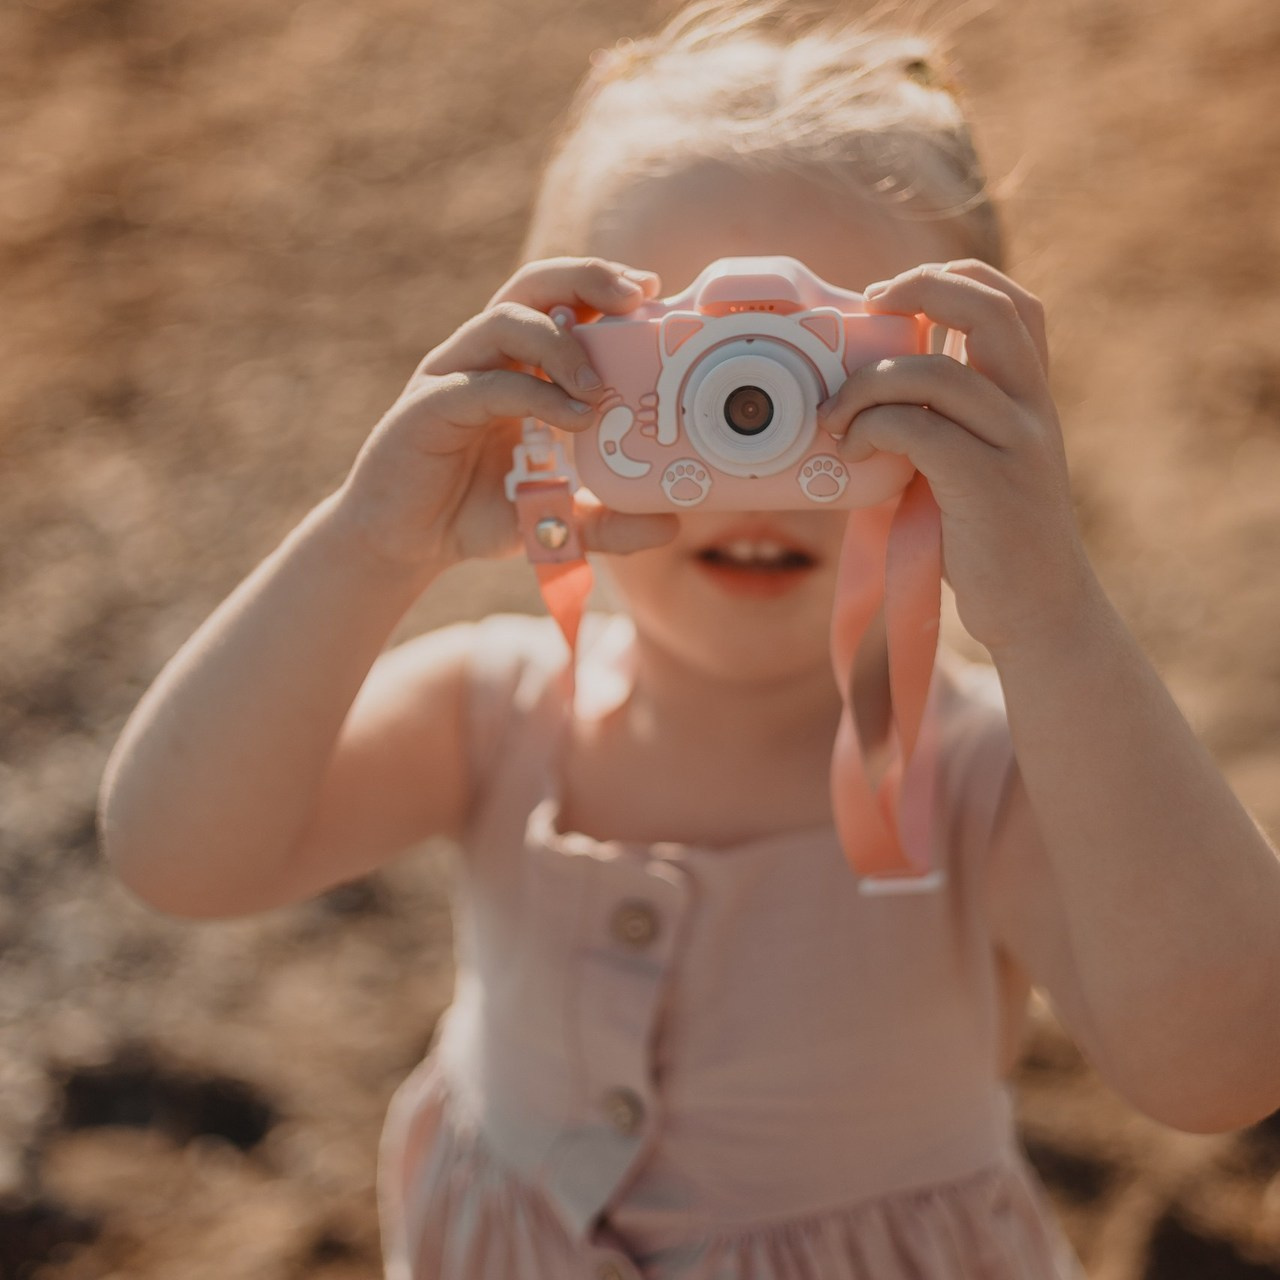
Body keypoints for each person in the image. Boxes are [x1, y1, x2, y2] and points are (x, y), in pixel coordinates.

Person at [98, 2, 1280, 1277]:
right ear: (540, 383)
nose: (753, 455)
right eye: (680, 374)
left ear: (981, 396)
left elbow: (1222, 1065)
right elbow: (178, 858)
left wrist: (1054, 620)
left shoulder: (987, 775)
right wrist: (368, 542)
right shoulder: (486, 712)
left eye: (830, 375)